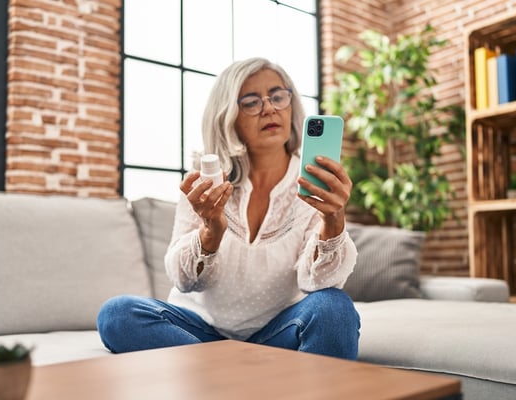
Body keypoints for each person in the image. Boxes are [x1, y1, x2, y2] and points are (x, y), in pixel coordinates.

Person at [97, 57, 360, 359]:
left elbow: (316, 282)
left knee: (334, 308)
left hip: (279, 332)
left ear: (291, 104)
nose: (269, 108)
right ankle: (244, 376)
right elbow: (184, 281)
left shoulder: (314, 182)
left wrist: (334, 221)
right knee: (118, 313)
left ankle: (224, 376)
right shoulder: (206, 181)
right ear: (229, 116)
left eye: (277, 96)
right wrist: (211, 232)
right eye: (251, 102)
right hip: (199, 329)